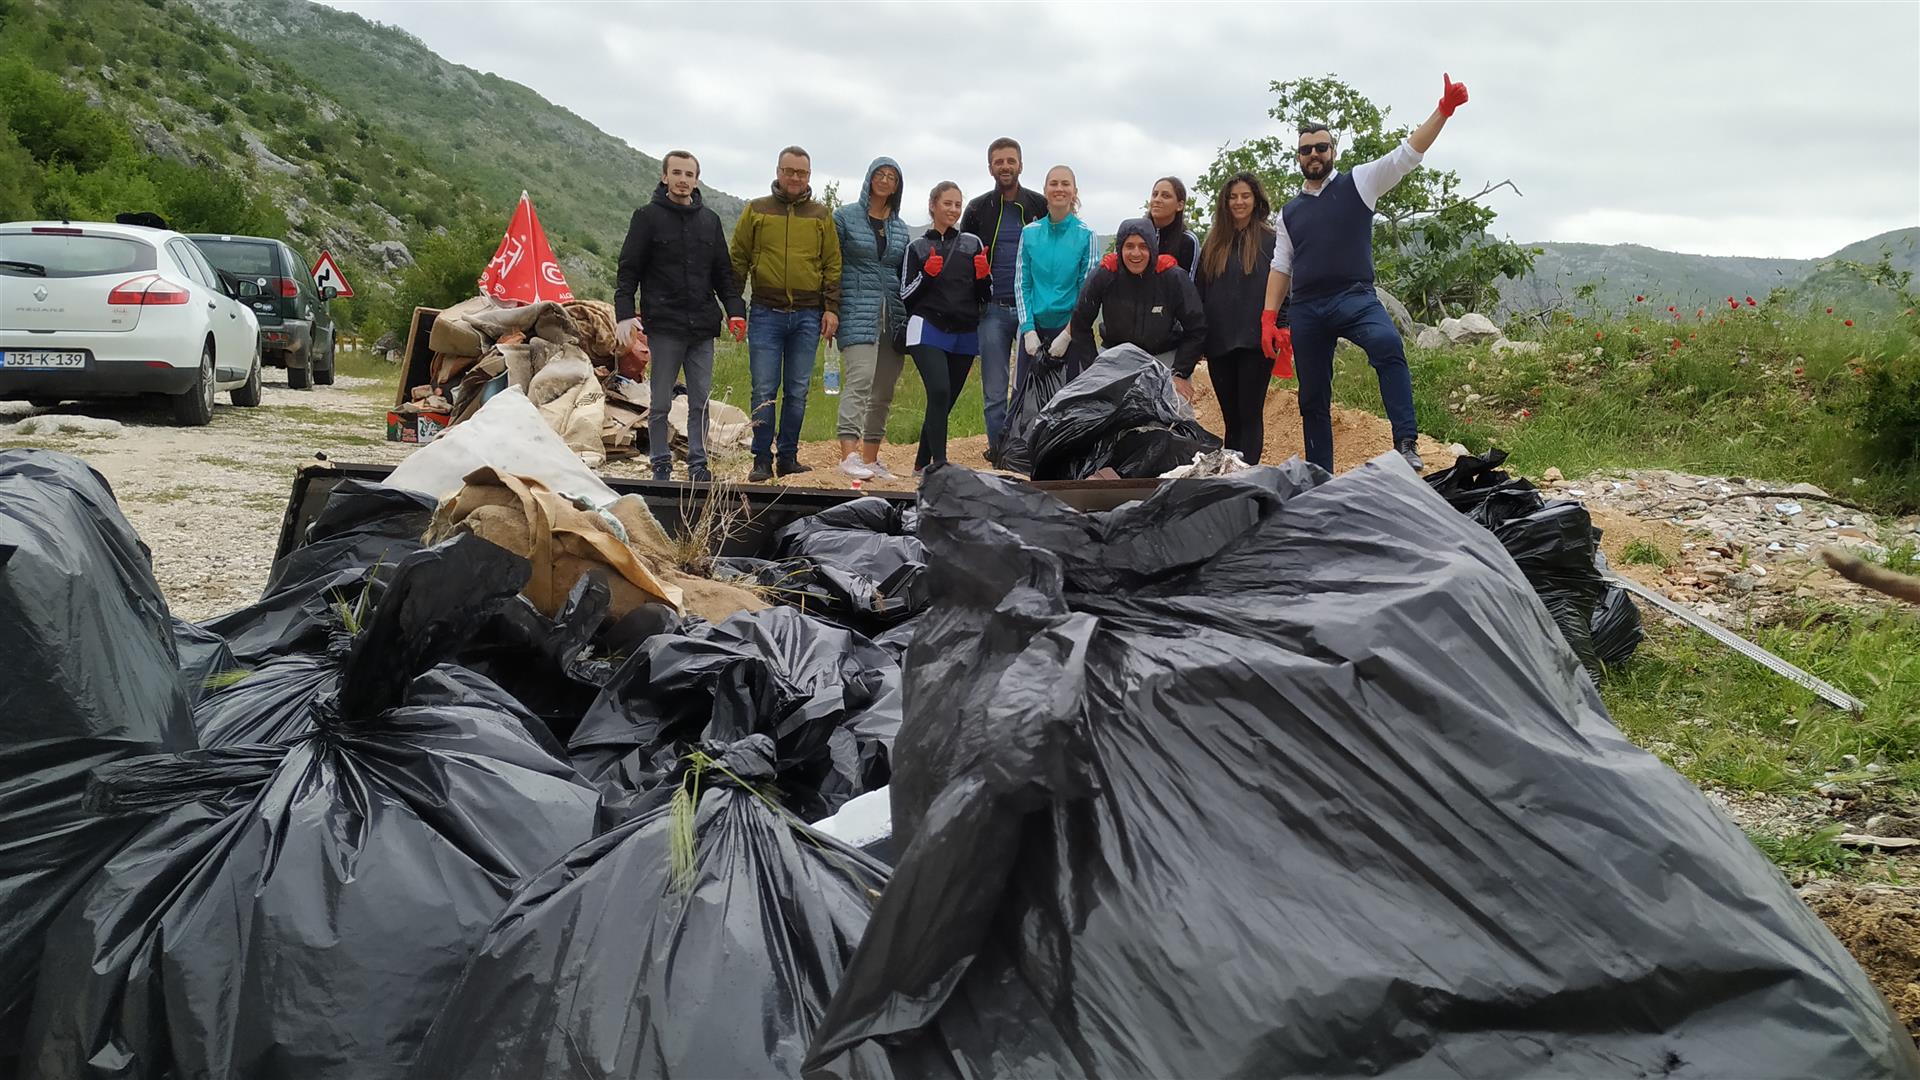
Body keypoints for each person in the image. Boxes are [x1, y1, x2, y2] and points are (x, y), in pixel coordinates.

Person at [1263, 74, 1471, 473]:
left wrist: (1442, 112)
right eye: (1306, 150)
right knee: (1312, 397)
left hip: (1354, 297)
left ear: (1333, 150)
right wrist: (1269, 317)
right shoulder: (1289, 212)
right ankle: (1319, 473)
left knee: (1387, 343)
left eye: (1321, 147)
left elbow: (1405, 155)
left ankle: (1406, 443)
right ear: (1298, 157)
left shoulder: (1360, 181)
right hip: (1306, 307)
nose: (1314, 155)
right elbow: (1281, 265)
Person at [613, 149, 745, 483]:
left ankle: (699, 465)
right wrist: (625, 313)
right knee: (660, 402)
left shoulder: (710, 221)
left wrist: (736, 311)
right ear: (664, 176)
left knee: (700, 400)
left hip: (702, 326)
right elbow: (629, 269)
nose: (683, 180)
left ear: (696, 179)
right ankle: (661, 463)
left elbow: (723, 274)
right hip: (665, 324)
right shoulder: (646, 217)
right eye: (677, 173)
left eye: (689, 174)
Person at [730, 145, 842, 482]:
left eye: (802, 172)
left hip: (809, 315)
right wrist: (734, 307)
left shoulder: (822, 215)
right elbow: (738, 258)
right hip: (765, 311)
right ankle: (761, 460)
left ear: (809, 175)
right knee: (763, 389)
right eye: (789, 171)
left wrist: (832, 309)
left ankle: (788, 457)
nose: (795, 177)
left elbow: (832, 264)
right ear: (778, 171)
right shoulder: (756, 211)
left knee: (798, 389)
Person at [958, 137, 1047, 462]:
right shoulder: (978, 208)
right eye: (999, 162)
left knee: (1026, 389)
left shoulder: (1039, 205)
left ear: (1020, 165)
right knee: (994, 391)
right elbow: (962, 256)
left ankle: (1022, 449)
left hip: (1030, 310)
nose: (1005, 167)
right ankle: (998, 450)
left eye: (1010, 161)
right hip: (991, 309)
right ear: (990, 167)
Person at [901, 181, 991, 477]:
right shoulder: (916, 247)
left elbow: (984, 295)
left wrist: (982, 277)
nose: (953, 210)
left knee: (946, 400)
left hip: (965, 331)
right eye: (947, 203)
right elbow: (905, 295)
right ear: (932, 206)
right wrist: (926, 275)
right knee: (939, 391)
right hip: (927, 327)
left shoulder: (973, 243)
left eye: (957, 204)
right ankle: (939, 465)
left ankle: (919, 464)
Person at [831, 157, 911, 480]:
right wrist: (830, 307)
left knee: (883, 390)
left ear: (897, 186)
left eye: (892, 177)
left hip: (892, 313)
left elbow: (904, 272)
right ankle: (848, 455)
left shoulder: (901, 227)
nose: (885, 180)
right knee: (860, 379)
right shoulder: (845, 217)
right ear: (869, 179)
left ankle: (871, 458)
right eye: (880, 174)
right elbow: (831, 265)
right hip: (855, 308)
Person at [1194, 171, 1283, 463]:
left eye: (1245, 196)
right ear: (1225, 202)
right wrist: (1199, 339)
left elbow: (1287, 285)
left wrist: (1283, 325)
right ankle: (1232, 475)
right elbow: (1200, 293)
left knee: (1250, 412)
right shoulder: (1213, 243)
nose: (1239, 202)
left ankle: (1248, 474)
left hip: (1257, 341)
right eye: (1233, 197)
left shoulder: (1272, 240)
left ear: (1256, 199)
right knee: (1230, 417)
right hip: (1219, 342)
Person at [1069, 217, 1205, 390]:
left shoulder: (1172, 277)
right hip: (1115, 355)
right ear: (1120, 248)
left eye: (1143, 246)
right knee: (1100, 410)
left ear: (1153, 248)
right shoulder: (1105, 274)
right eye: (1129, 246)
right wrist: (1093, 368)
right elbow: (1080, 323)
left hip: (1164, 356)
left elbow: (1197, 327)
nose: (1136, 253)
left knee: (1177, 408)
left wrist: (1181, 373)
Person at [1014, 164, 1098, 393]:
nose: (1059, 189)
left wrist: (1069, 333)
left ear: (1074, 191)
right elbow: (1022, 283)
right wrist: (1028, 329)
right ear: (1045, 190)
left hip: (1068, 331)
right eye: (1054, 183)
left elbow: (1087, 291)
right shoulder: (1029, 233)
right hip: (1035, 331)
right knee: (1025, 401)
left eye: (1065, 184)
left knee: (1065, 405)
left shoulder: (1086, 235)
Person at [1146, 176, 1199, 276]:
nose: (1157, 199)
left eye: (1165, 196)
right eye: (1155, 194)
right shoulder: (1134, 234)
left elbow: (1189, 285)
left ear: (1180, 205)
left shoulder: (1188, 240)